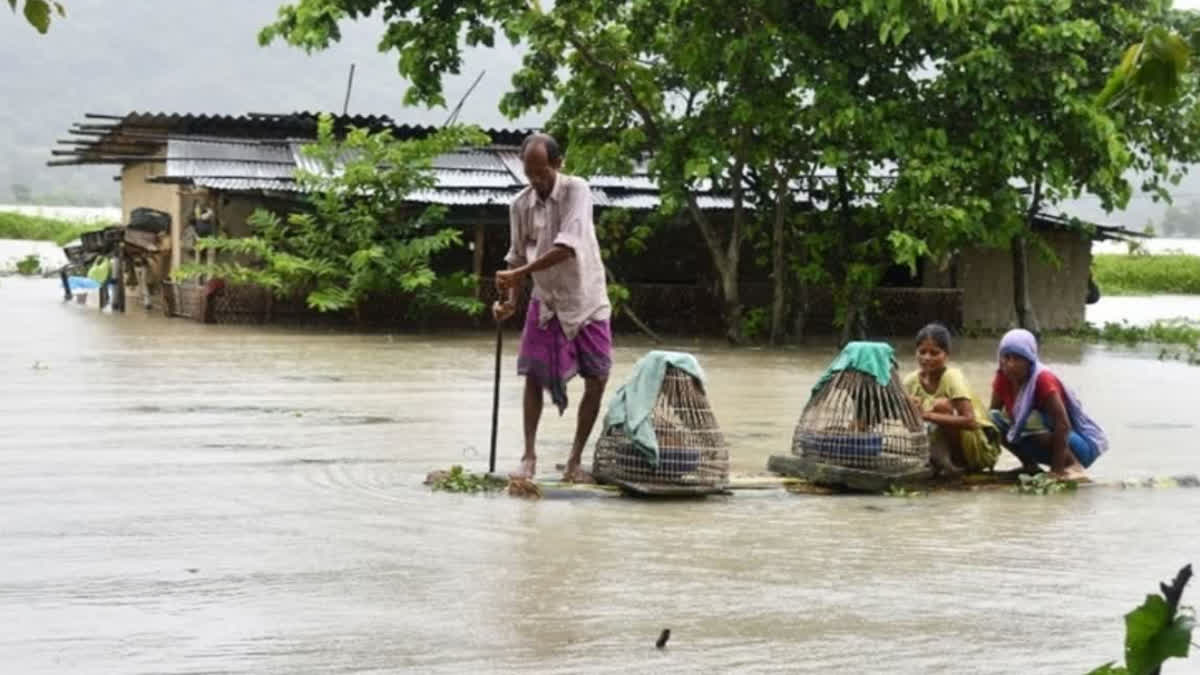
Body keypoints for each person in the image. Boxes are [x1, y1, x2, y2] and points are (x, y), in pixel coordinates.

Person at [493, 133, 612, 483]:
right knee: (532, 374)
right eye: (529, 173)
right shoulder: (520, 205)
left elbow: (567, 247)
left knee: (598, 378)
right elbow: (515, 254)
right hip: (546, 301)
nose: (535, 180)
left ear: (558, 165)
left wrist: (518, 273)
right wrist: (509, 301)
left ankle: (575, 462)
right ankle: (528, 456)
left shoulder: (577, 190)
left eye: (541, 172)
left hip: (585, 296)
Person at [988, 329, 1108, 480]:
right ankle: (1030, 465)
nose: (1011, 364)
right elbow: (992, 418)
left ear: (1029, 360)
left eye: (1018, 358)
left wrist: (1056, 471)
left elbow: (1063, 425)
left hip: (1073, 446)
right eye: (1007, 357)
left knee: (1032, 420)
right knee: (992, 420)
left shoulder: (1042, 380)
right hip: (1039, 440)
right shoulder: (1002, 377)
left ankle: (1071, 466)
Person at [903, 323, 1001, 476]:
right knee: (909, 406)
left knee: (941, 405)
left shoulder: (952, 377)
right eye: (922, 352)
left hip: (976, 448)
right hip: (939, 445)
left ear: (946, 355)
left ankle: (958, 464)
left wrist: (926, 415)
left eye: (934, 353)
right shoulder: (911, 381)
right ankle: (932, 461)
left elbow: (970, 421)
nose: (927, 358)